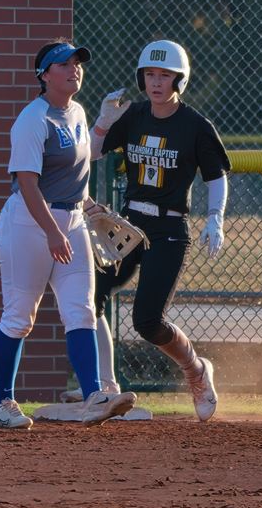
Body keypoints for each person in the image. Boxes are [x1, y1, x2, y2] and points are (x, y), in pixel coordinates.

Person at [0, 40, 136, 428]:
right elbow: (27, 183)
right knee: (20, 316)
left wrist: (87, 208)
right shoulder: (33, 119)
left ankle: (94, 396)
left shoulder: (77, 113)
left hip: (70, 220)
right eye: (63, 64)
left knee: (82, 309)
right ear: (44, 75)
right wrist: (53, 233)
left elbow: (77, 169)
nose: (74, 69)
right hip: (29, 223)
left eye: (77, 63)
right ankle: (2, 404)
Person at [87, 39, 230, 421]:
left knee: (147, 320)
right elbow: (93, 152)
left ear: (178, 80)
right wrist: (103, 121)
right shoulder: (132, 115)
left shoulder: (196, 125)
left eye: (164, 75)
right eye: (150, 74)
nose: (156, 82)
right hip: (130, 223)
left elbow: (216, 176)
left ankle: (196, 371)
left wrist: (215, 216)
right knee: (91, 294)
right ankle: (105, 389)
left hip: (169, 226)